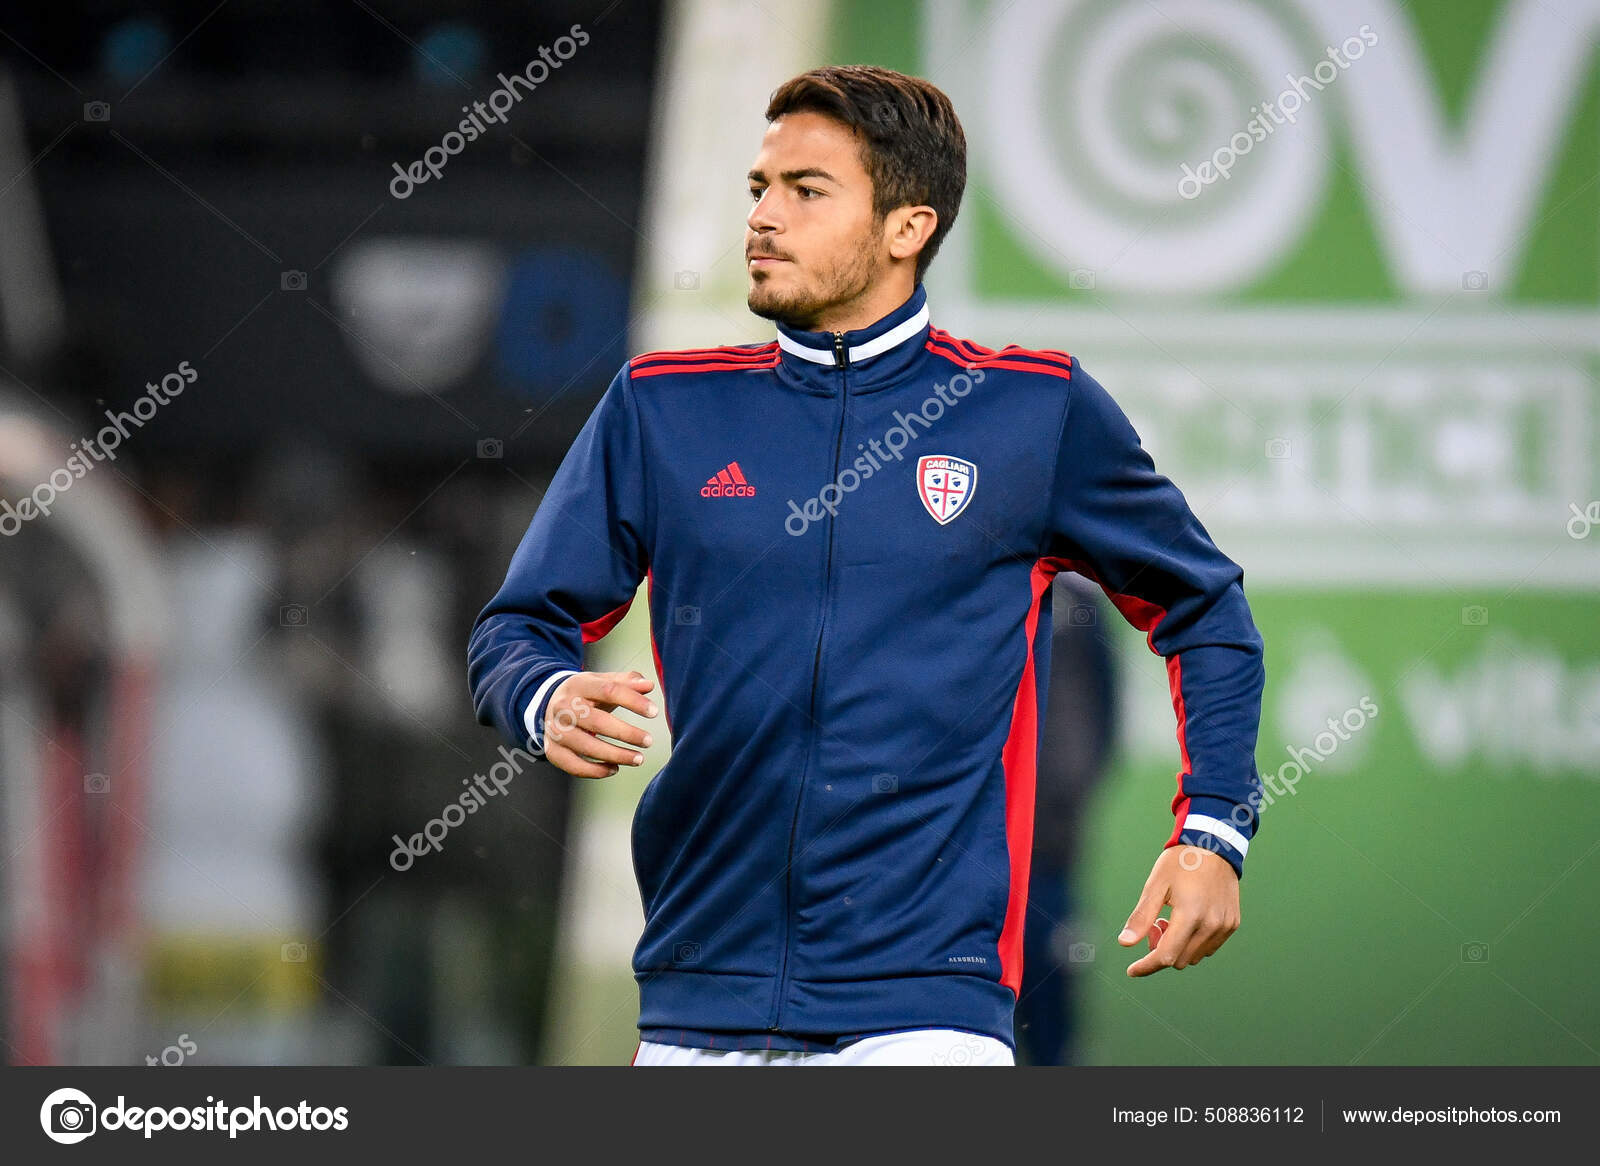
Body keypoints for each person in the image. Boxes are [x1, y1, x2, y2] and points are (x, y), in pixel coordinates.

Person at [468, 65, 1265, 1067]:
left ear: (906, 228)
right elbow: (516, 624)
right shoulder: (660, 407)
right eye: (759, 187)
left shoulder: (1033, 409)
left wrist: (1213, 829)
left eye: (806, 190)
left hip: (929, 1007)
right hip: (694, 1000)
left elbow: (1205, 606)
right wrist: (542, 695)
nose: (764, 216)